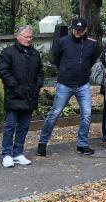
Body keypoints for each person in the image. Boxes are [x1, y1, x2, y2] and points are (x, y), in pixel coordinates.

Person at [38, 17, 99, 156]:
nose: (78, 32)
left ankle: (82, 144)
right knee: (54, 113)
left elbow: (91, 61)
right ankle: (42, 142)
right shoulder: (62, 42)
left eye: (81, 30)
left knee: (87, 114)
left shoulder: (92, 44)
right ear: (72, 28)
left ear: (85, 30)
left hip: (83, 84)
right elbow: (56, 60)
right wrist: (66, 70)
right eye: (76, 30)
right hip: (65, 84)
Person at [0, 25, 43, 167]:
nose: (29, 39)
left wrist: (38, 85)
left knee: (24, 127)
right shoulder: (8, 52)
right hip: (14, 95)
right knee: (10, 126)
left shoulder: (35, 54)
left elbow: (40, 71)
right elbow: (2, 71)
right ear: (19, 37)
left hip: (30, 96)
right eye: (27, 37)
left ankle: (18, 152)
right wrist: (14, 86)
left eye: (31, 37)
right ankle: (6, 154)